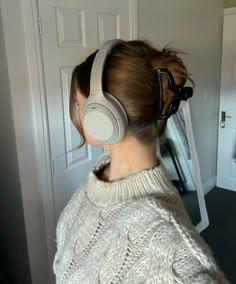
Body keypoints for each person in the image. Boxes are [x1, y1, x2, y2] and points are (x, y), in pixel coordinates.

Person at [53, 39, 229, 283]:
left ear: (101, 115)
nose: (76, 112)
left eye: (79, 103)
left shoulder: (168, 254)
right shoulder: (100, 174)